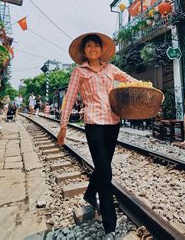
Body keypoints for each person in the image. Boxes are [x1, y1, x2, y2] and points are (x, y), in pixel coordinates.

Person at [57, 33, 139, 240]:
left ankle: (89, 193)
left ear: (102, 49)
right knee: (105, 171)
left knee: (103, 168)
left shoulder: (110, 69)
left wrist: (145, 86)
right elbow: (69, 98)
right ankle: (110, 226)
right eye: (89, 46)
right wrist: (63, 126)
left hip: (113, 123)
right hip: (93, 123)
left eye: (96, 45)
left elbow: (130, 80)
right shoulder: (79, 71)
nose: (93, 49)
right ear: (84, 51)